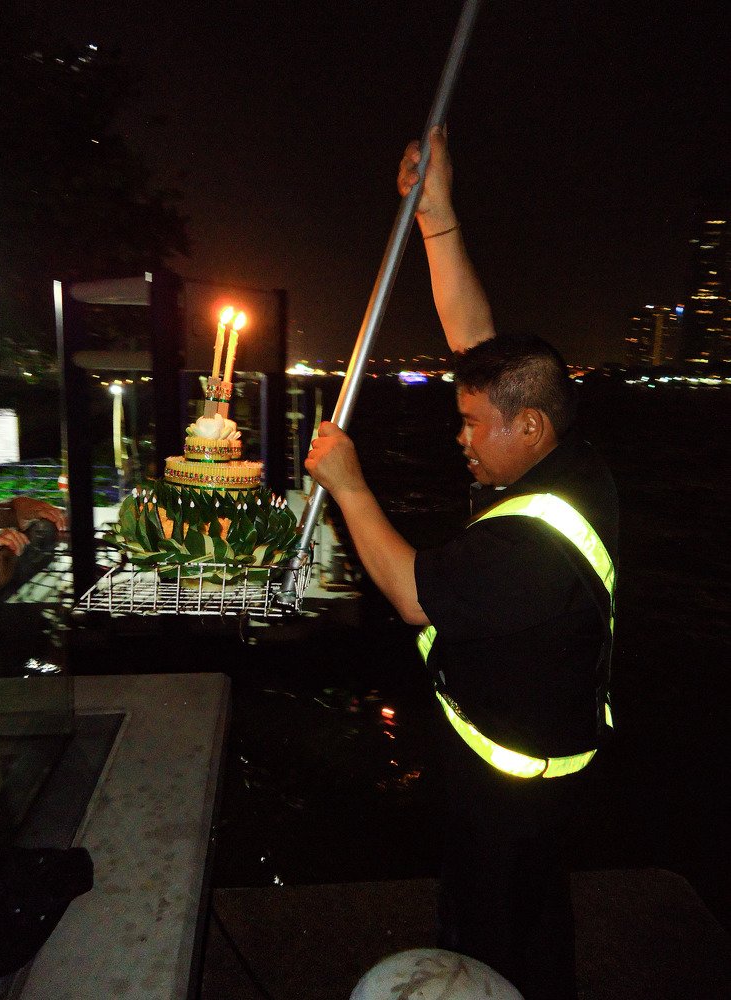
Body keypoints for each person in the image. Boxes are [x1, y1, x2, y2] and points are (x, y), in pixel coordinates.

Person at [305, 127, 618, 1000]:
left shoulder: (533, 546)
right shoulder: (564, 459)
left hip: (512, 790)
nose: (460, 438)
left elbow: (410, 593)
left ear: (531, 427)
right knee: (517, 915)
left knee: (496, 938)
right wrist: (439, 220)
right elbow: (476, 338)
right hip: (512, 763)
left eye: (473, 423)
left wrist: (348, 483)